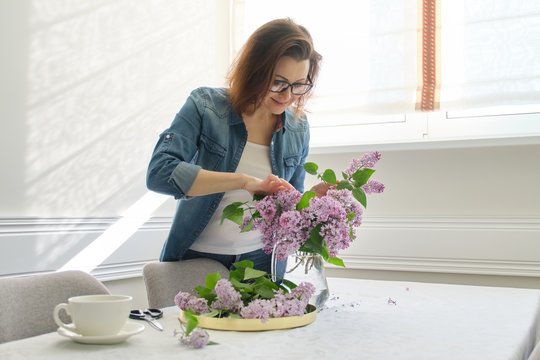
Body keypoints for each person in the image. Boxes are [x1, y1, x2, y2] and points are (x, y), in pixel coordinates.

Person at [146, 18, 323, 278]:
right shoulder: (205, 106)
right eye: (278, 82)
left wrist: (315, 201)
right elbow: (160, 173)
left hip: (263, 262)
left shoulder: (298, 127)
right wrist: (242, 181)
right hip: (197, 258)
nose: (287, 96)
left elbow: (290, 202)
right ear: (254, 70)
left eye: (298, 85)